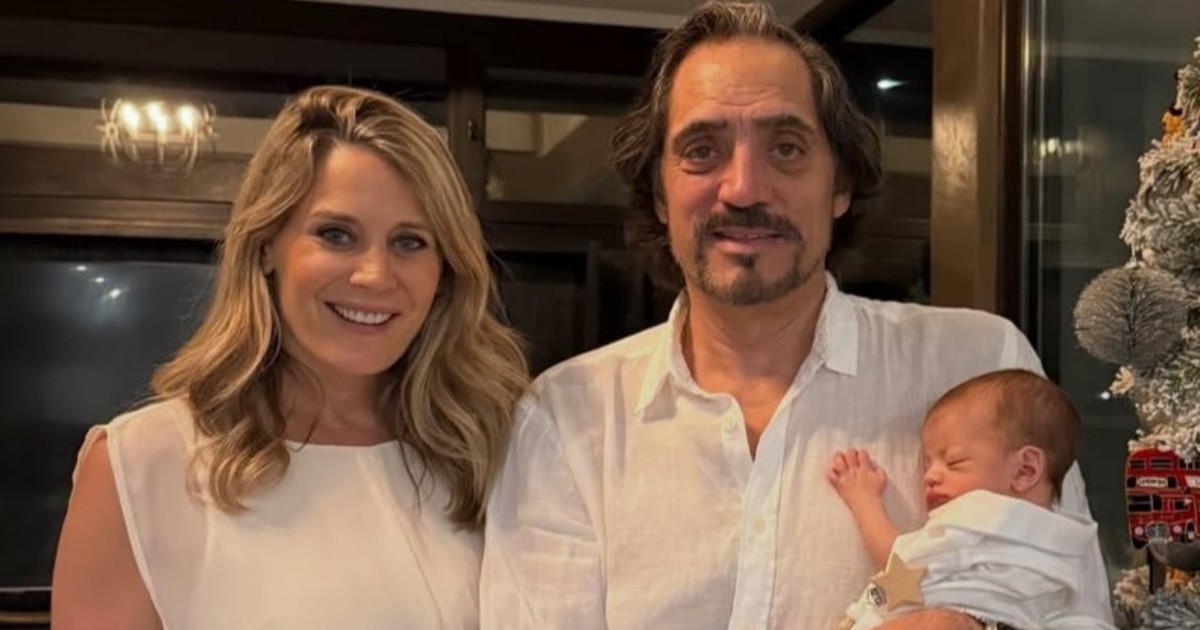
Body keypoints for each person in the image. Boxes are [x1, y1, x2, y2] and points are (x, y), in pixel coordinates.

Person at [479, 2, 1113, 628]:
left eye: (786, 148)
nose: (744, 189)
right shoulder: (565, 420)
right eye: (701, 150)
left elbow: (1073, 605)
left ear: (840, 185)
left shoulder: (978, 365)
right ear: (659, 193)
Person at [51, 85, 529, 629]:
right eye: (336, 234)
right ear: (265, 246)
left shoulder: (493, 448)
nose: (375, 275)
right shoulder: (141, 466)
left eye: (410, 242)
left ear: (444, 270)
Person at [828, 369, 1111, 629]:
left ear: (1025, 470)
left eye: (954, 462)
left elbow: (900, 563)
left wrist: (864, 499)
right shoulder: (1064, 546)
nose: (930, 476)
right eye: (927, 464)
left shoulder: (981, 514)